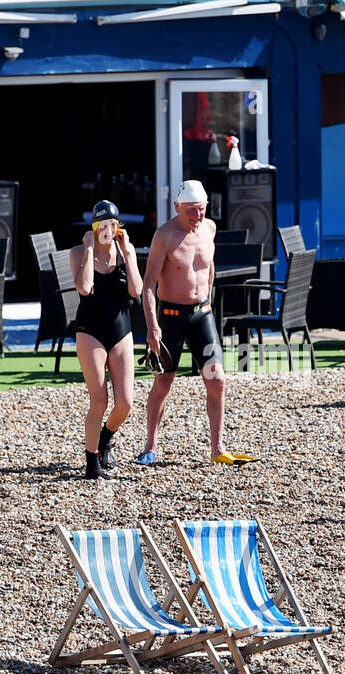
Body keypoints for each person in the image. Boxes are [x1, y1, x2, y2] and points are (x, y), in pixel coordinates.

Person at [135, 180, 254, 466]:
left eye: (201, 209)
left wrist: (208, 302)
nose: (196, 216)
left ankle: (217, 448)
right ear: (177, 207)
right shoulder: (164, 235)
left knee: (217, 381)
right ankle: (150, 445)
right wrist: (152, 325)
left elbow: (208, 267)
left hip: (202, 314)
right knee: (164, 381)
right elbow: (149, 283)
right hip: (171, 316)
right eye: (190, 210)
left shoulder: (209, 229)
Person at [71, 200, 142, 479]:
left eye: (113, 224)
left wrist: (128, 254)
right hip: (90, 330)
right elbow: (85, 287)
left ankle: (104, 438)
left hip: (120, 330)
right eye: (103, 225)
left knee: (125, 403)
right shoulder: (78, 252)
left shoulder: (125, 251)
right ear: (94, 227)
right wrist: (89, 249)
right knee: (99, 400)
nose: (109, 230)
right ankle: (92, 464)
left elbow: (136, 290)